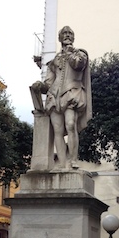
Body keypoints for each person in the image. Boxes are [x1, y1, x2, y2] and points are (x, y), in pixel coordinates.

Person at [32, 26, 91, 170]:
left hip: (72, 93)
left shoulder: (80, 54)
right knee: (57, 131)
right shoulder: (54, 61)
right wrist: (40, 86)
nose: (67, 35)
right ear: (60, 38)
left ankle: (72, 161)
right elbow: (48, 83)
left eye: (70, 33)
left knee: (70, 125)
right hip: (54, 97)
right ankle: (62, 164)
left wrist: (70, 53)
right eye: (64, 34)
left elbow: (78, 65)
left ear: (73, 37)